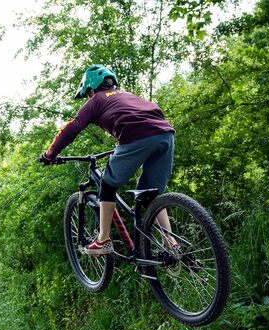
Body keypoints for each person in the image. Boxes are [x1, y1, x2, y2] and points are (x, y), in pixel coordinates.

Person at [40, 64, 175, 256]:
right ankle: (172, 243)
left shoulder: (96, 100)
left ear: (91, 89)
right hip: (166, 135)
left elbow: (74, 126)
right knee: (149, 193)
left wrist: (50, 154)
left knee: (108, 183)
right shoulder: (127, 95)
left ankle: (103, 239)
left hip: (136, 136)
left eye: (87, 94)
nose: (88, 98)